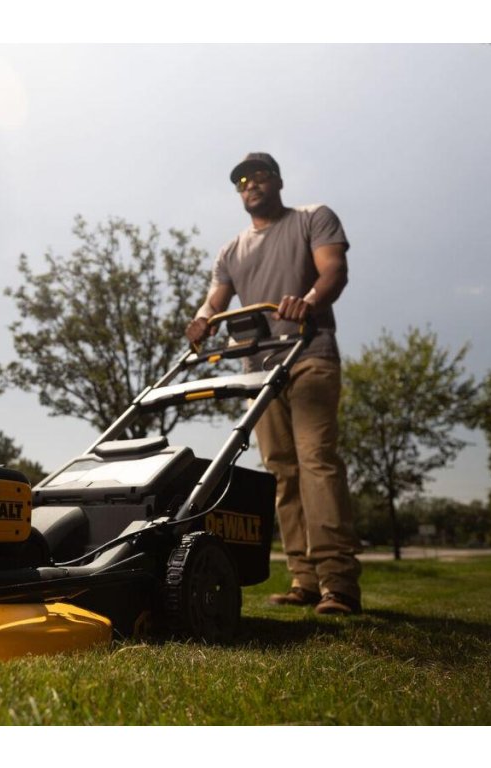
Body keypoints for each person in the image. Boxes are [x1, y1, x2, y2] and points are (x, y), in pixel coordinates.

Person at [185, 152, 362, 615]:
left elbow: (333, 270)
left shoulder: (312, 218)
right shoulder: (231, 250)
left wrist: (308, 301)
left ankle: (339, 582)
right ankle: (304, 579)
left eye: (258, 175)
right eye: (241, 180)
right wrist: (202, 321)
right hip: (260, 370)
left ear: (278, 181)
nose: (250, 184)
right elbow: (214, 302)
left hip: (309, 354)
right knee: (281, 471)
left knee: (316, 460)